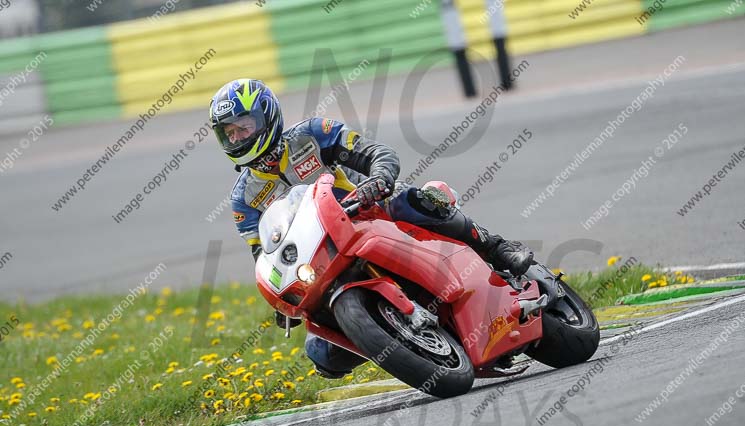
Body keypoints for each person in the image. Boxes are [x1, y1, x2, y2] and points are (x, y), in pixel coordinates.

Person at [211, 79, 534, 378]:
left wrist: (378, 179)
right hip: (320, 258)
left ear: (267, 117)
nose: (237, 137)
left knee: (413, 201)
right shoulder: (244, 199)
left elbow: (375, 153)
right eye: (230, 132)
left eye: (243, 126)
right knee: (322, 355)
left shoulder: (312, 133)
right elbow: (264, 256)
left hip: (364, 211)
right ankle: (401, 341)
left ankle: (496, 247)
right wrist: (282, 300)